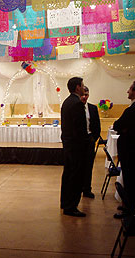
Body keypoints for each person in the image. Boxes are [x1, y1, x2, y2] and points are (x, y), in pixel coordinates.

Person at [113, 80, 135, 218]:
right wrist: (124, 128)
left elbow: (117, 125)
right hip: (134, 149)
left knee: (131, 181)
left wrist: (123, 128)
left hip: (130, 151)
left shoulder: (133, 109)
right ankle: (129, 205)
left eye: (130, 89)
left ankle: (130, 210)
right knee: (131, 180)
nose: (127, 91)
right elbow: (122, 126)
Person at [60, 77, 89, 217]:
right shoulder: (77, 103)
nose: (84, 87)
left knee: (68, 175)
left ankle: (65, 203)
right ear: (77, 87)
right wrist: (86, 143)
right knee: (76, 177)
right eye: (82, 85)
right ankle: (71, 206)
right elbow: (80, 128)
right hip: (76, 146)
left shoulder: (67, 102)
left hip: (68, 144)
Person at [80, 86, 101, 199]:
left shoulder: (93, 108)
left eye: (86, 95)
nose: (84, 97)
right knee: (79, 166)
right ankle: (78, 189)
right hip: (78, 141)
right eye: (82, 95)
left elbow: (97, 125)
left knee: (89, 166)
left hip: (89, 139)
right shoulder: (75, 107)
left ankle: (87, 189)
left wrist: (94, 138)